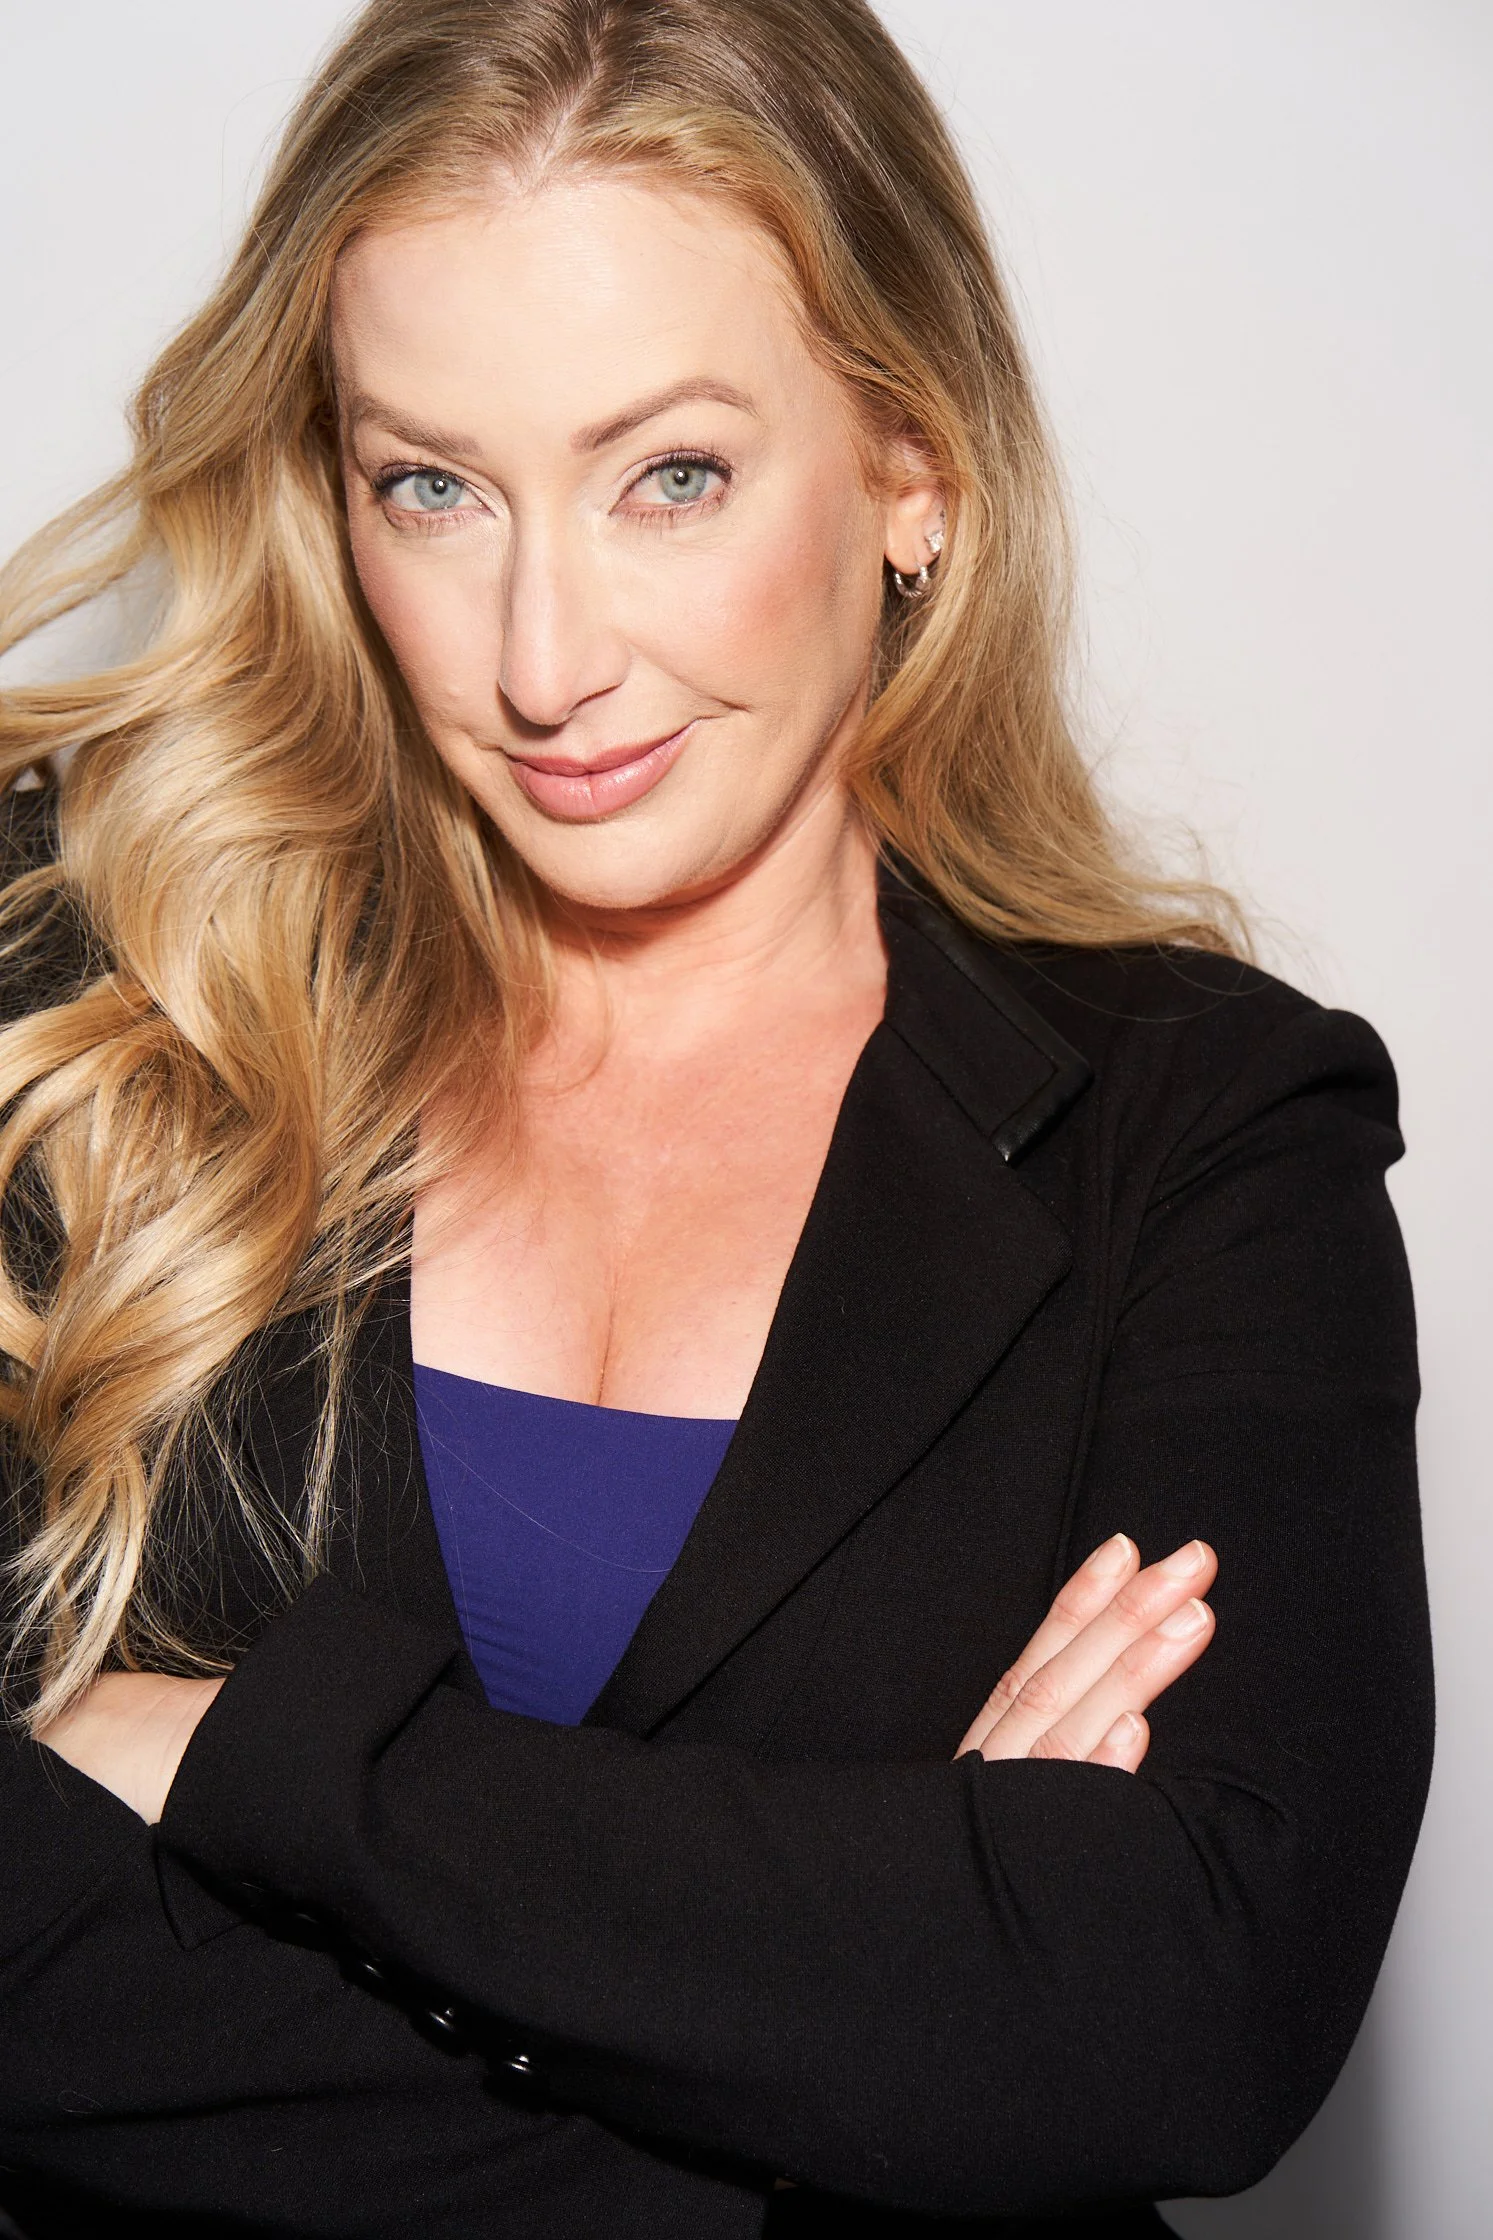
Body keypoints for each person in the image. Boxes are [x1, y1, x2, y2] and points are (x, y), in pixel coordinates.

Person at [0, 1, 1431, 2233]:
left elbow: (1185, 2003)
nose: (540, 657)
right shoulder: (88, 1009)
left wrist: (242, 1755)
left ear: (910, 466)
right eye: (431, 488)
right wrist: (871, 2043)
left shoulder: (1206, 1128)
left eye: (669, 476)